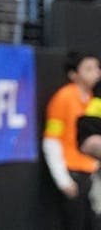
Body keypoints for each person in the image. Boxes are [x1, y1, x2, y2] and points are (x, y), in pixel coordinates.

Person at [44, 51, 101, 230]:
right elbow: (51, 141)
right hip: (72, 174)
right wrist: (63, 179)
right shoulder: (63, 98)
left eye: (97, 68)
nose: (96, 72)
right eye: (89, 68)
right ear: (73, 74)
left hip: (92, 176)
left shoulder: (95, 101)